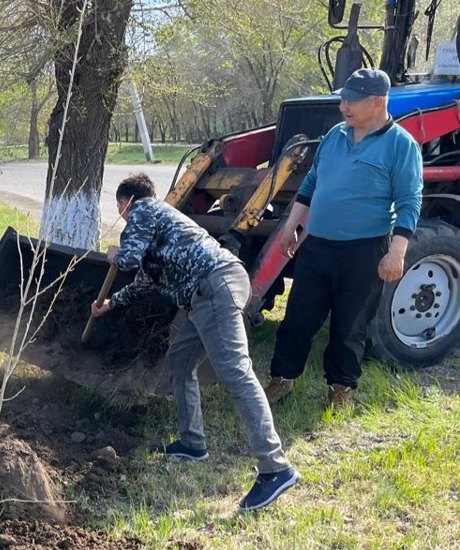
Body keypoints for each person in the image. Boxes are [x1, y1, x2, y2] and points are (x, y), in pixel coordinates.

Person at [89, 174, 299, 511]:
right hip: (206, 294)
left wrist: (115, 254)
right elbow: (144, 281)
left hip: (214, 286)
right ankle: (192, 444)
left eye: (120, 208)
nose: (122, 215)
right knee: (180, 362)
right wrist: (110, 303)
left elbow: (127, 259)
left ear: (126, 201)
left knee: (236, 373)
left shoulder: (143, 208)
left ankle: (275, 468)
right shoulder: (159, 226)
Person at [265, 68, 423, 410]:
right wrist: (291, 226)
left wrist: (397, 251)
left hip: (363, 250)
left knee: (350, 325)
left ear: (377, 102)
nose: (343, 107)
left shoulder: (401, 145)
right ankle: (282, 379)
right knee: (298, 318)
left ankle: (341, 387)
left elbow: (409, 201)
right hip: (317, 245)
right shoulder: (334, 136)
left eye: (352, 101)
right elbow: (311, 183)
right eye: (343, 99)